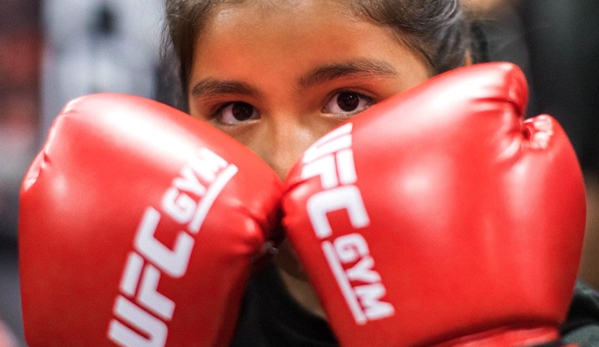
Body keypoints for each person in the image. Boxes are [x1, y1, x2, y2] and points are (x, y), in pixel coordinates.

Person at [157, 0, 599, 346]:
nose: (286, 161)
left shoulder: (564, 331)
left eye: (348, 101)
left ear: (453, 92)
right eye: (237, 111)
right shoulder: (160, 315)